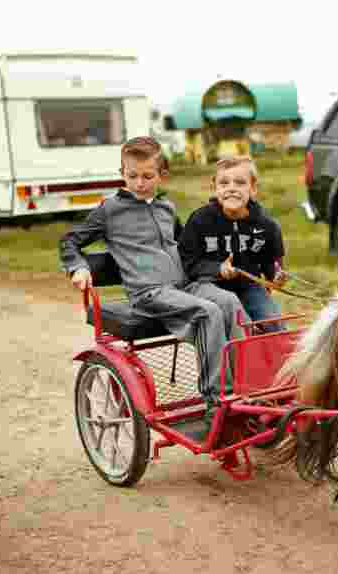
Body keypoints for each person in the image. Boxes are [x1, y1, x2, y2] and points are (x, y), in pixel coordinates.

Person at [60, 136, 246, 419]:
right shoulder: (109, 210)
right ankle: (217, 401)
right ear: (122, 174)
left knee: (229, 302)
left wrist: (216, 266)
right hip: (149, 293)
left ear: (161, 176)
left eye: (147, 176)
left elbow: (187, 249)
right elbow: (70, 241)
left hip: (186, 285)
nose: (139, 183)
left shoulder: (165, 208)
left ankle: (246, 390)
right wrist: (78, 267)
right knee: (208, 312)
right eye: (131, 175)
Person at [179, 156, 287, 332]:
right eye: (224, 183)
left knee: (274, 323)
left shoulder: (267, 225)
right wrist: (217, 269)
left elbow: (272, 266)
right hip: (210, 286)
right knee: (240, 326)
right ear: (215, 187)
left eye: (240, 183)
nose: (231, 189)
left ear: (253, 188)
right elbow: (188, 263)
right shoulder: (199, 220)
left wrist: (276, 278)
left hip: (248, 286)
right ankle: (239, 354)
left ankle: (273, 357)